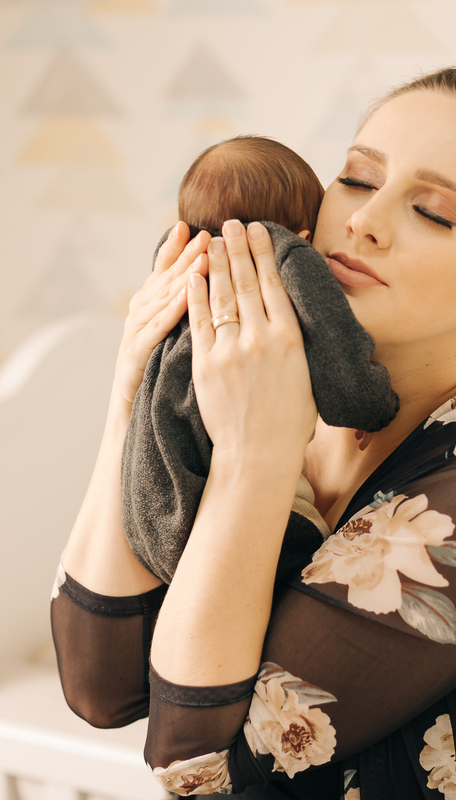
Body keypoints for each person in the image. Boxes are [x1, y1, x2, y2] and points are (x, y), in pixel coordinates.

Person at [51, 66, 456, 799]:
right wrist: (133, 393)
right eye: (357, 178)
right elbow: (99, 686)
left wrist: (253, 459)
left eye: (432, 212)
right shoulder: (273, 386)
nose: (364, 220)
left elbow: (196, 770)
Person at [121, 134, 398, 587]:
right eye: (358, 181)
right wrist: (372, 406)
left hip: (146, 512)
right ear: (304, 235)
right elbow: (338, 352)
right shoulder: (287, 255)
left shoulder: (177, 262)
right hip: (235, 520)